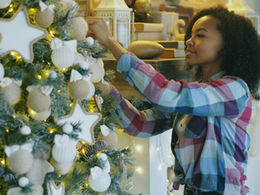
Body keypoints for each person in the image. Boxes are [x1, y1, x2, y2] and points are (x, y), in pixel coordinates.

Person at [87, 6, 260, 195]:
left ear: (227, 47)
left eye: (200, 35)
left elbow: (164, 94)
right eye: (191, 35)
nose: (188, 41)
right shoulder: (196, 94)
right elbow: (141, 124)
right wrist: (107, 90)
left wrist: (111, 43)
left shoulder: (234, 89)